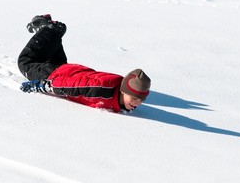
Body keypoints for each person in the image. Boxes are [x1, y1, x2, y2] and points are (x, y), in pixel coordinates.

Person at [18, 14, 151, 113]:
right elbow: (71, 85)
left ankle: (51, 34)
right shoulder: (102, 88)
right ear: (123, 90)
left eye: (141, 100)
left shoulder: (117, 94)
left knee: (51, 56)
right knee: (25, 62)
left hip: (67, 70)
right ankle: (52, 29)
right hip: (54, 75)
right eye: (134, 98)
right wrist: (44, 85)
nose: (137, 103)